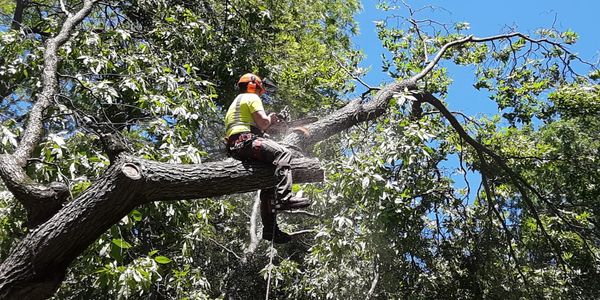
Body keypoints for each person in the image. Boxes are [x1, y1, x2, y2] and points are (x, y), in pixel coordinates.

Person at [224, 73, 310, 244]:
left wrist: (271, 127)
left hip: (238, 145)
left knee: (269, 184)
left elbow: (257, 128)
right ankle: (285, 198)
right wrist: (270, 118)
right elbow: (263, 123)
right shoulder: (251, 97)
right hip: (246, 141)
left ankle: (270, 230)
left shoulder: (236, 103)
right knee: (283, 154)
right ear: (253, 86)